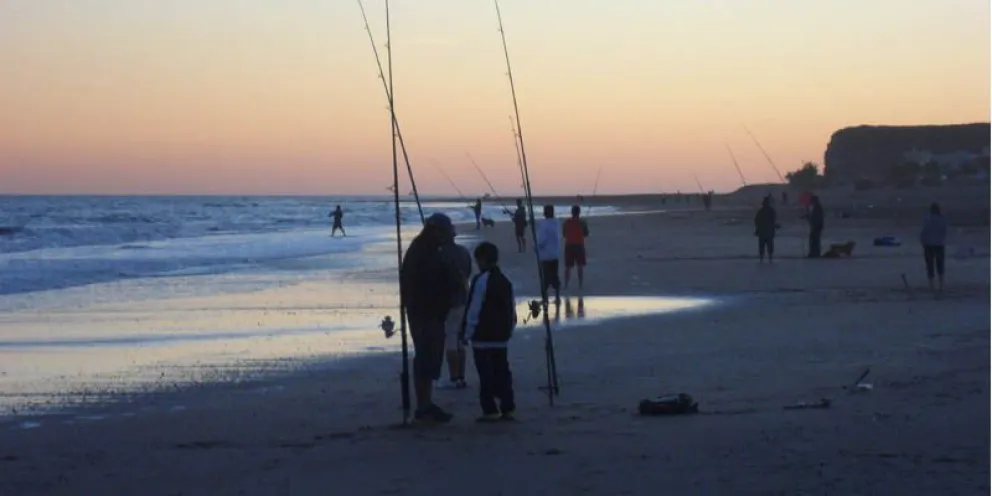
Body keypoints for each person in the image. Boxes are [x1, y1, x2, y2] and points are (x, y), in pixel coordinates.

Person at [400, 213, 461, 424]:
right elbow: (418, 284)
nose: (447, 236)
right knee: (426, 358)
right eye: (444, 232)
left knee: (430, 358)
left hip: (431, 312)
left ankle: (426, 403)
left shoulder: (431, 250)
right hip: (424, 314)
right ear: (435, 231)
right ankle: (423, 406)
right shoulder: (421, 253)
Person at [460, 241, 517, 422]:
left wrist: (466, 333)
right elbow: (511, 308)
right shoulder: (505, 281)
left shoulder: (480, 280)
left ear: (482, 260)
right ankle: (508, 407)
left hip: (483, 336)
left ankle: (490, 409)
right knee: (502, 371)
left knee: (486, 374)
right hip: (501, 336)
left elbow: (474, 309)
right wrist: (509, 328)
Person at [441, 236, 473, 389]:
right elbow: (468, 273)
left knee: (451, 340)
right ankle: (461, 376)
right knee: (460, 339)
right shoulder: (463, 251)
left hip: (448, 303)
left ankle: (454, 378)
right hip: (464, 298)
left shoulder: (440, 254)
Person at [535, 204, 561, 305]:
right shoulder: (556, 223)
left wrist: (535, 246)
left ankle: (545, 298)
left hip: (545, 256)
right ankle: (557, 297)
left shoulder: (544, 225)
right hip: (554, 255)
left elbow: (542, 241)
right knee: (554, 276)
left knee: (545, 278)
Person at [920, 202, 947, 294]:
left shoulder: (927, 219)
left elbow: (923, 232)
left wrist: (923, 241)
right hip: (939, 244)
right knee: (940, 266)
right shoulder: (942, 219)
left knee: (930, 266)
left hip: (929, 245)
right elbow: (945, 231)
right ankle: (941, 287)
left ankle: (932, 287)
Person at [561, 205, 589, 289]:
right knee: (580, 266)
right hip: (579, 245)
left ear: (572, 212)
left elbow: (564, 234)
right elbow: (586, 234)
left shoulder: (566, 222)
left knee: (568, 267)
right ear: (579, 212)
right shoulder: (583, 222)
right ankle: (580, 284)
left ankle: (566, 284)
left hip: (569, 245)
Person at [754, 195, 777, 263]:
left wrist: (758, 227)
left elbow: (756, 220)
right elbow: (774, 220)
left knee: (762, 245)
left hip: (762, 231)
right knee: (769, 245)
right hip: (769, 231)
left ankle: (762, 258)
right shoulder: (771, 210)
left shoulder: (760, 211)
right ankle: (770, 257)